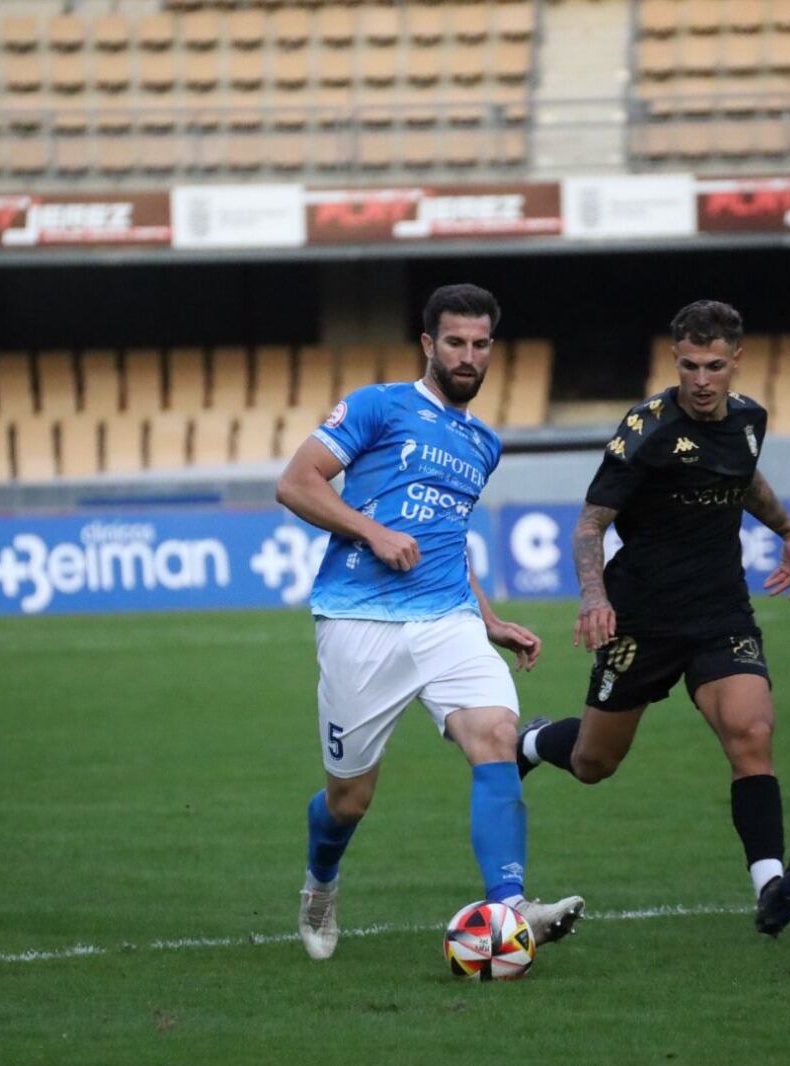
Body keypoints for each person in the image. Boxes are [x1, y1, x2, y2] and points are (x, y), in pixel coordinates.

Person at [276, 283, 585, 961]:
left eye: (480, 344)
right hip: (361, 619)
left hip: (448, 620)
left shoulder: (484, 443)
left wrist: (489, 617)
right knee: (349, 799)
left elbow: (448, 534)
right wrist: (371, 532)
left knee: (497, 733)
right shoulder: (377, 406)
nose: (468, 356)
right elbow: (297, 483)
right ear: (428, 344)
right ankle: (320, 883)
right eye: (455, 342)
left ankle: (510, 907)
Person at [515, 299, 790, 938]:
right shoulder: (646, 428)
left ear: (736, 360)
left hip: (719, 611)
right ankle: (533, 740)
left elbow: (744, 480)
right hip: (642, 619)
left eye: (714, 366)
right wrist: (595, 598)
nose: (702, 380)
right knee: (594, 763)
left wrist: (788, 528)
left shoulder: (748, 421)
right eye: (689, 366)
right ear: (674, 360)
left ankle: (769, 887)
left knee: (751, 733)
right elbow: (590, 524)